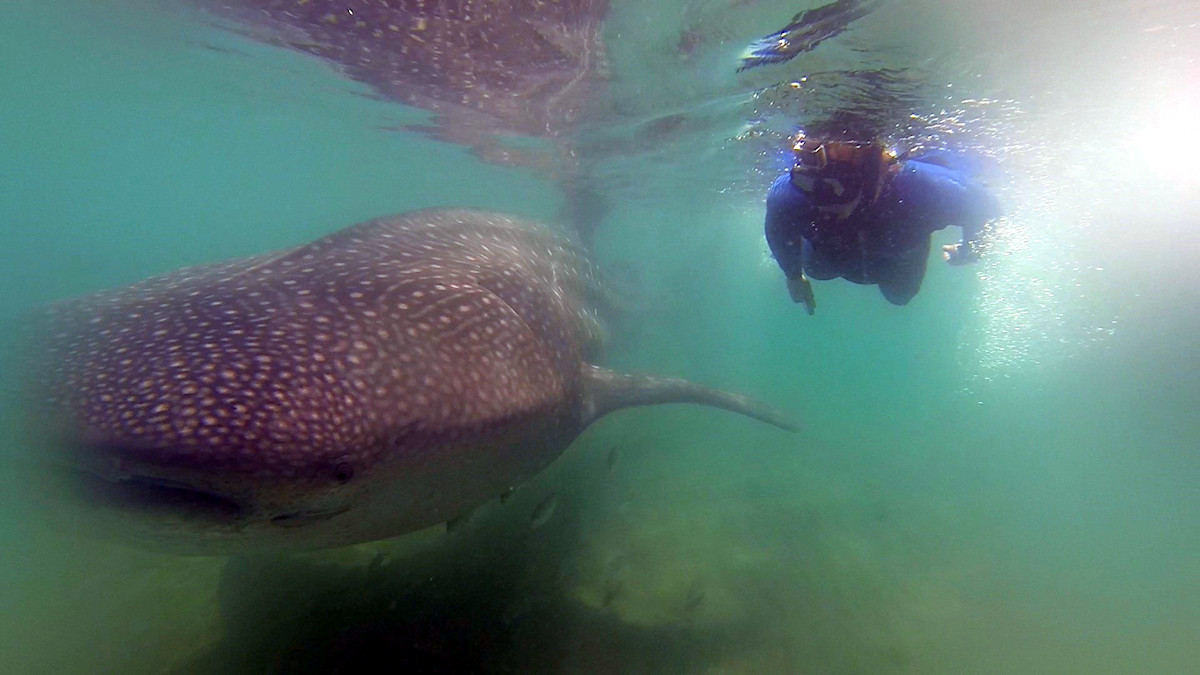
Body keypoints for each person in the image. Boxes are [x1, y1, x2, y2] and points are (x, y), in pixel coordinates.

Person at [764, 134, 1000, 314]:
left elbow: (986, 206)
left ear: (871, 179)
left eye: (835, 191)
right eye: (810, 188)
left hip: (898, 249)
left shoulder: (920, 189)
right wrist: (793, 275)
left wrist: (972, 249)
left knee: (900, 296)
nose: (822, 205)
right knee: (817, 270)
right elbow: (777, 225)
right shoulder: (789, 197)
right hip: (839, 254)